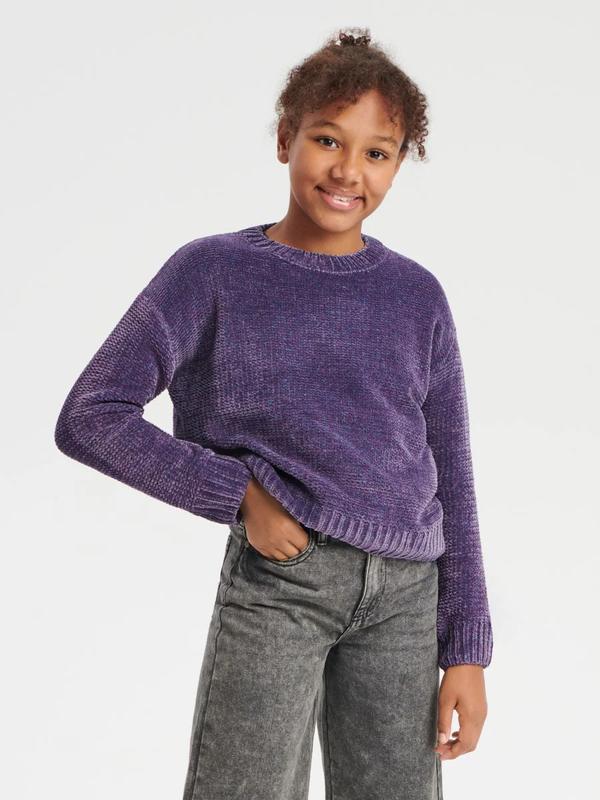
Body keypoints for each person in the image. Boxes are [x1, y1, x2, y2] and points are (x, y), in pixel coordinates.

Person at [54, 26, 493, 800]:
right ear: (287, 136)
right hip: (283, 584)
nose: (348, 170)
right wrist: (238, 495)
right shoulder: (212, 273)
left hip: (406, 598)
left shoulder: (417, 296)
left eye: (377, 152)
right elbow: (91, 413)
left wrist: (466, 648)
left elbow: (450, 472)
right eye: (327, 140)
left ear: (399, 163)